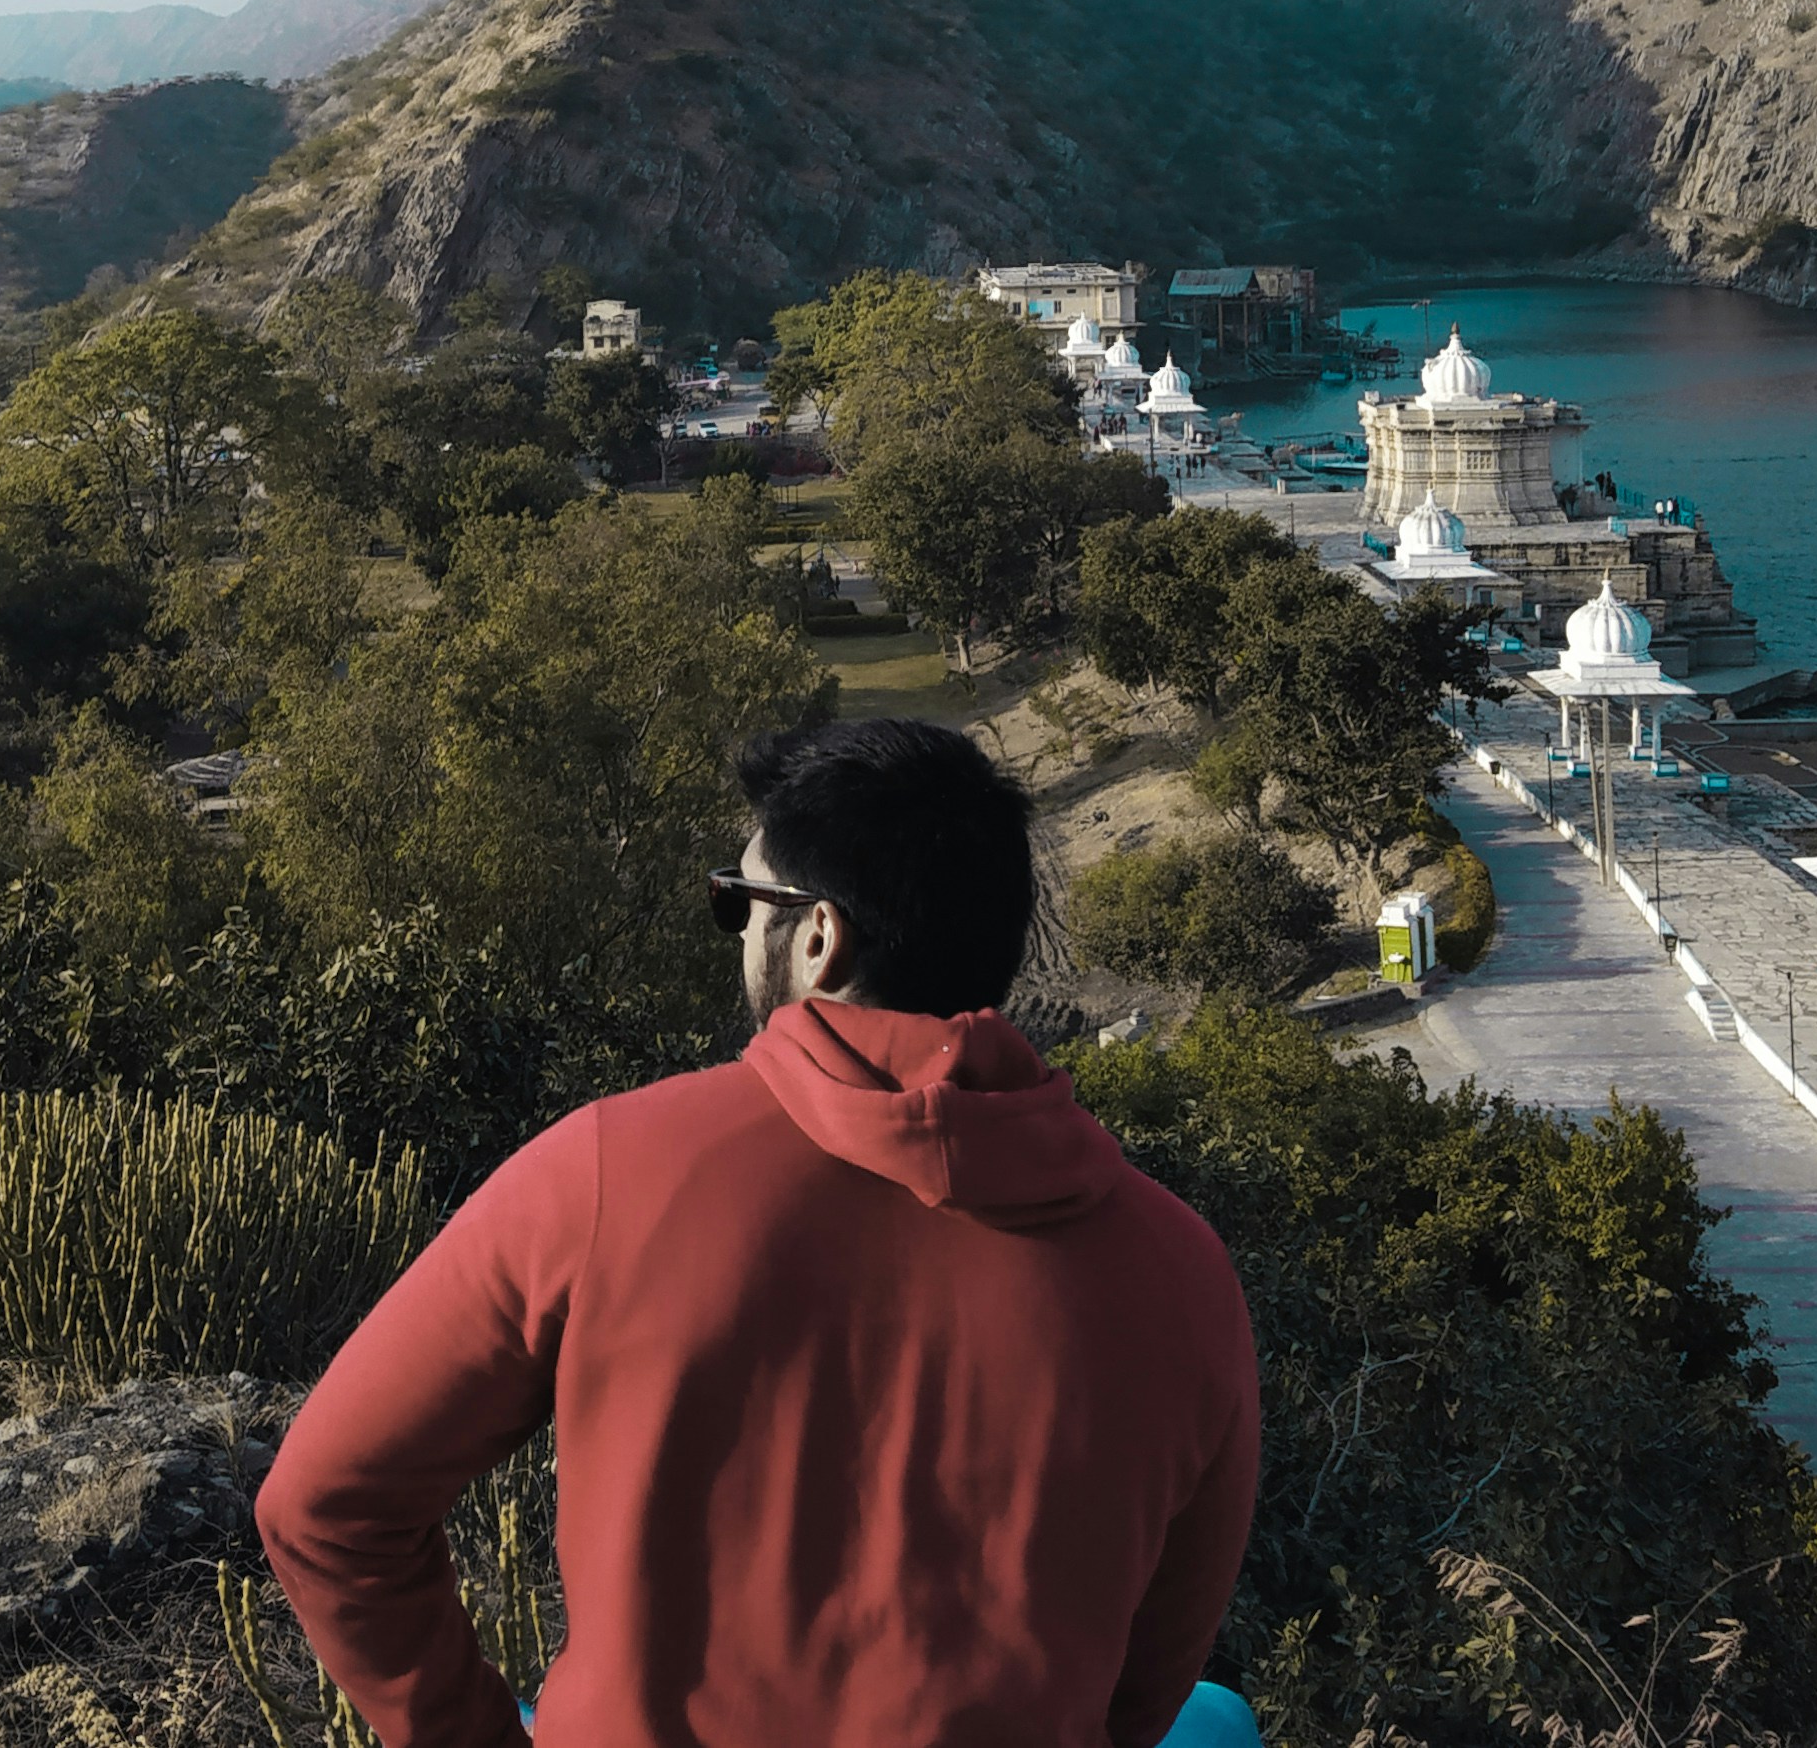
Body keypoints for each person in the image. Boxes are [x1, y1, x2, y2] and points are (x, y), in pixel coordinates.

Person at [256, 717, 1263, 1747]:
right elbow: (1146, 1679)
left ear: (818, 936)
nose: (735, 929)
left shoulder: (606, 1172)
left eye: (736, 902)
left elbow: (324, 1503)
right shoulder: (1184, 1271)